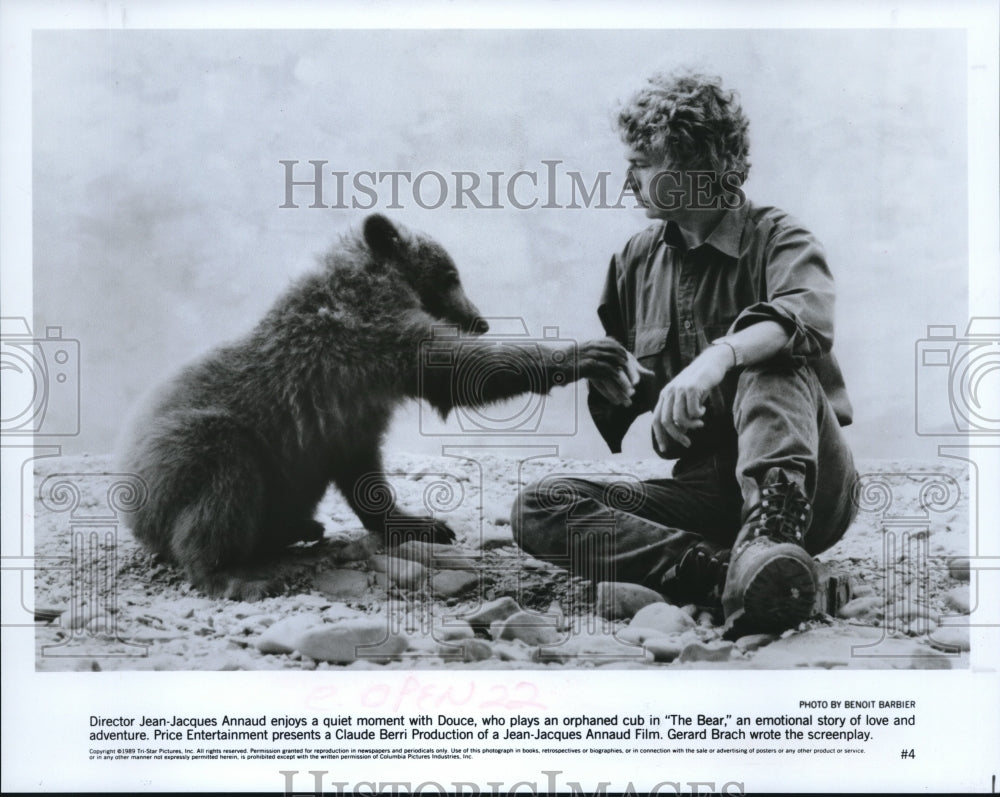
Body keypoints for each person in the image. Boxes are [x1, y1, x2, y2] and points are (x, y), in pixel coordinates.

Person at [511, 71, 858, 634]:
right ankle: (725, 572)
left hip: (809, 489)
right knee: (540, 505)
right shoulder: (633, 262)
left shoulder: (780, 238)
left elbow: (806, 320)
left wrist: (718, 356)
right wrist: (646, 411)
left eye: (641, 164)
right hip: (707, 492)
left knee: (769, 354)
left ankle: (773, 541)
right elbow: (644, 409)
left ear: (696, 163)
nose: (628, 181)